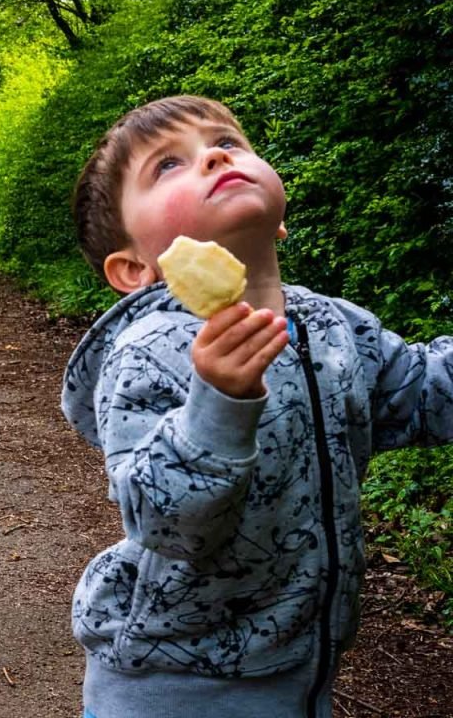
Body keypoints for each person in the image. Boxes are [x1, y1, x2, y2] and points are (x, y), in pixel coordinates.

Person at [60, 95, 453, 718]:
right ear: (135, 267)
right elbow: (164, 522)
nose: (215, 155)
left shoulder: (337, 327)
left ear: (278, 223)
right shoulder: (150, 349)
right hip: (174, 682)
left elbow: (425, 395)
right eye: (167, 165)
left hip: (304, 663)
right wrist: (217, 403)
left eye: (229, 143)